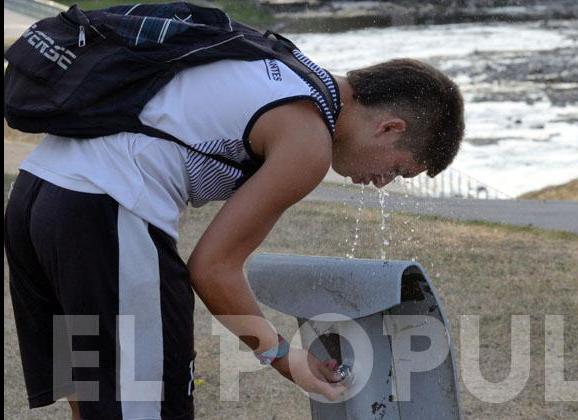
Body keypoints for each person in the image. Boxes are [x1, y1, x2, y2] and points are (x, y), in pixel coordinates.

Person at [3, 43, 465, 419]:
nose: (381, 183)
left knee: (94, 394)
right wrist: (284, 357)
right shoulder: (308, 140)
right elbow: (214, 269)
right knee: (144, 407)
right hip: (104, 214)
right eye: (399, 170)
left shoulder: (283, 64)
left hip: (36, 197)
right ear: (389, 127)